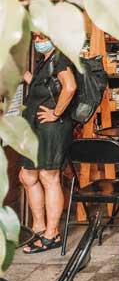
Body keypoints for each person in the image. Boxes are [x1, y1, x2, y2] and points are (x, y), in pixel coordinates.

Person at [19, 34, 77, 254]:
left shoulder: (61, 58)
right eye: (36, 36)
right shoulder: (45, 60)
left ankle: (52, 234)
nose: (38, 40)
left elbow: (69, 87)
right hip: (35, 125)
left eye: (43, 36)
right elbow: (42, 85)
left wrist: (56, 113)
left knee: (48, 176)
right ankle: (39, 227)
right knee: (28, 175)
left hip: (52, 127)